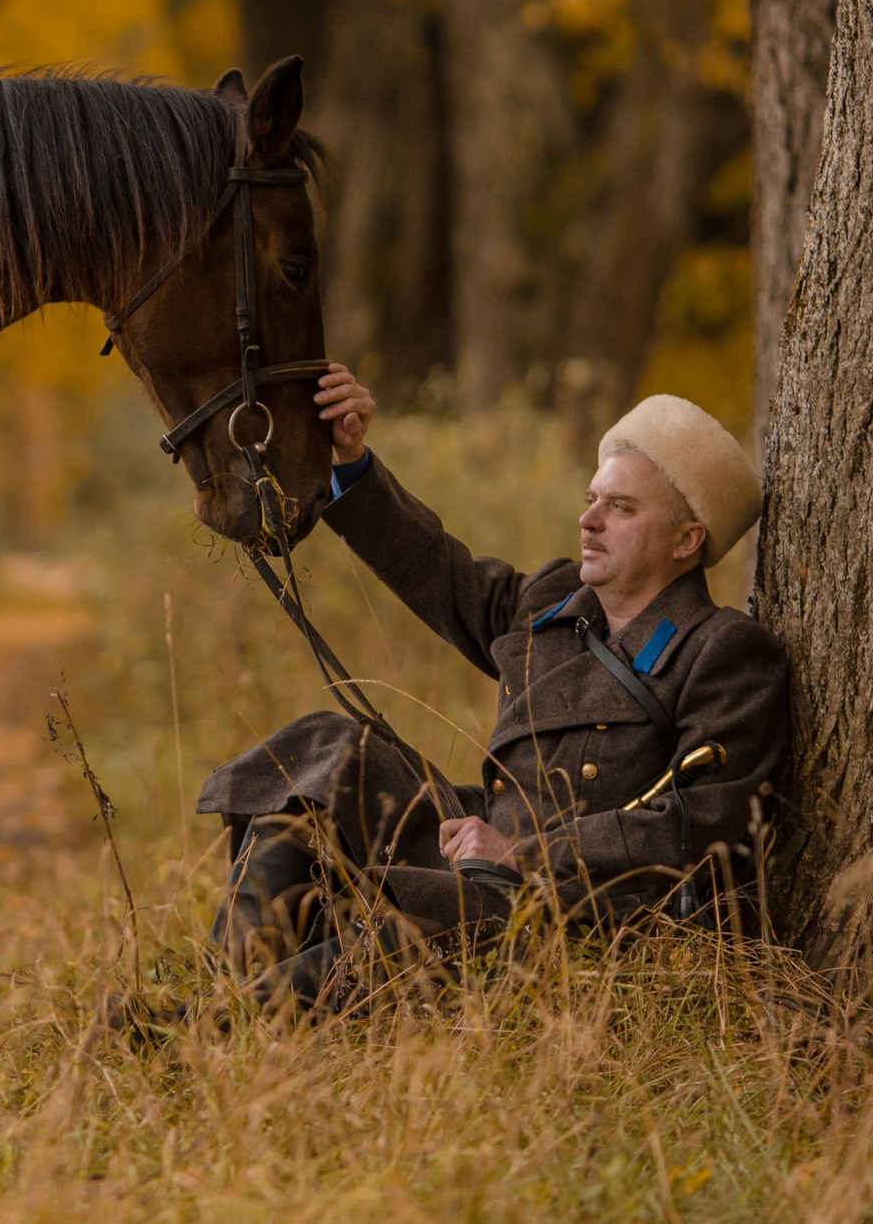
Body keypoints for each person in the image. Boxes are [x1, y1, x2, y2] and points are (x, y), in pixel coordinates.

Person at [197, 366, 789, 1008]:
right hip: (479, 851)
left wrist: (528, 854)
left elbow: (707, 828)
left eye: (620, 507)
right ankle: (230, 980)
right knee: (322, 752)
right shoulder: (554, 599)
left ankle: (217, 1021)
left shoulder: (723, 650)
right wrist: (350, 459)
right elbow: (438, 571)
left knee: (433, 919)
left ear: (687, 539)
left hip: (574, 908)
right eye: (592, 498)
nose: (589, 520)